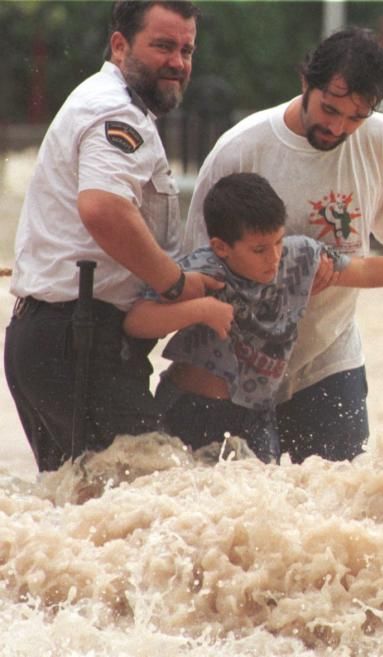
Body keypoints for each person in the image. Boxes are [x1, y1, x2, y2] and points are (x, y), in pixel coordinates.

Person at [184, 27, 383, 463]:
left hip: (327, 355)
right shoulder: (240, 150)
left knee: (336, 508)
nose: (338, 127)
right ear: (306, 82)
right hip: (235, 363)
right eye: (329, 108)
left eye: (356, 118)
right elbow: (193, 267)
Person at [4, 1, 215, 473]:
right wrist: (176, 283)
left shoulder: (106, 101)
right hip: (77, 342)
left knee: (91, 517)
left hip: (53, 340)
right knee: (161, 495)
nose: (178, 62)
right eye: (163, 46)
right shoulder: (115, 112)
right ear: (120, 45)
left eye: (186, 49)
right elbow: (103, 208)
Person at [125, 173, 383, 463]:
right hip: (194, 410)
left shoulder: (298, 257)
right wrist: (201, 309)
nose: (273, 258)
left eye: (277, 242)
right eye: (259, 249)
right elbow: (137, 320)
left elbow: (365, 270)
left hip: (258, 414)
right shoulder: (203, 270)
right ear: (221, 247)